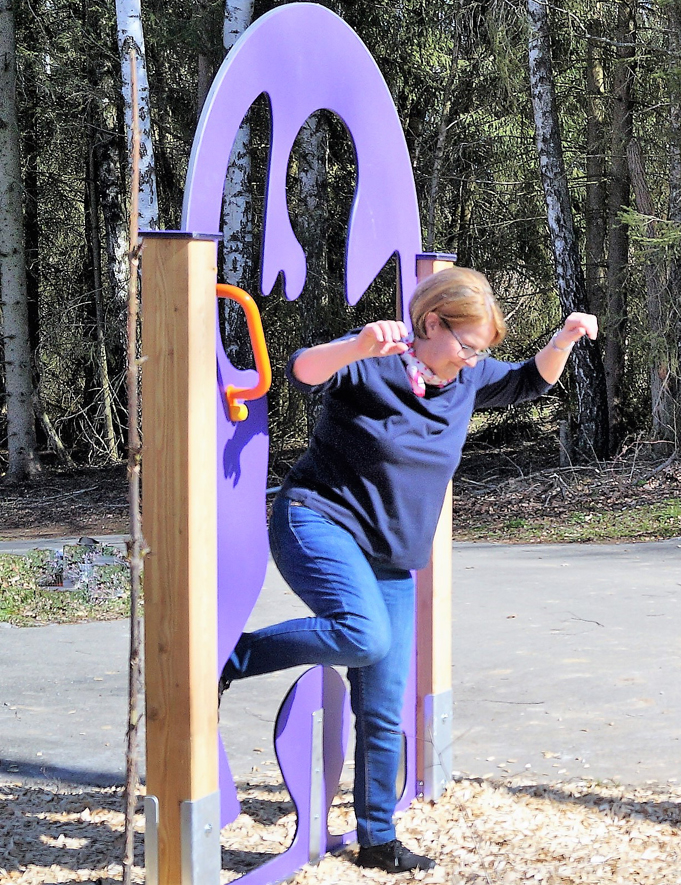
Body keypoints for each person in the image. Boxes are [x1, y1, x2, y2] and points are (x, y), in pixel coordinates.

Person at [220, 267, 597, 872]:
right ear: (430, 323)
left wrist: (565, 338)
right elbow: (300, 371)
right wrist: (357, 344)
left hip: (392, 555)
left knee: (384, 700)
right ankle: (232, 660)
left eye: (482, 350)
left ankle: (377, 839)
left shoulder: (465, 380)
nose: (474, 361)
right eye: (467, 345)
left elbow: (532, 380)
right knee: (364, 635)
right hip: (317, 522)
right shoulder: (374, 361)